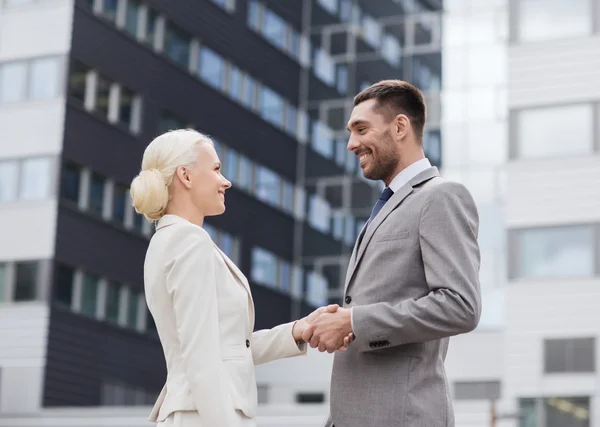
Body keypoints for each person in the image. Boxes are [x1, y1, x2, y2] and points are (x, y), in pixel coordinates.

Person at [130, 129, 348, 427]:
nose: (226, 181)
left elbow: (227, 348)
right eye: (217, 169)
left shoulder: (168, 240)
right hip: (205, 416)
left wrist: (297, 330)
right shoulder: (190, 242)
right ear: (186, 176)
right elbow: (201, 357)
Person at [302, 80, 482, 427]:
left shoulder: (441, 197)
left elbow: (461, 306)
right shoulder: (386, 208)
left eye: (361, 129)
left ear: (400, 126)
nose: (352, 143)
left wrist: (354, 321)